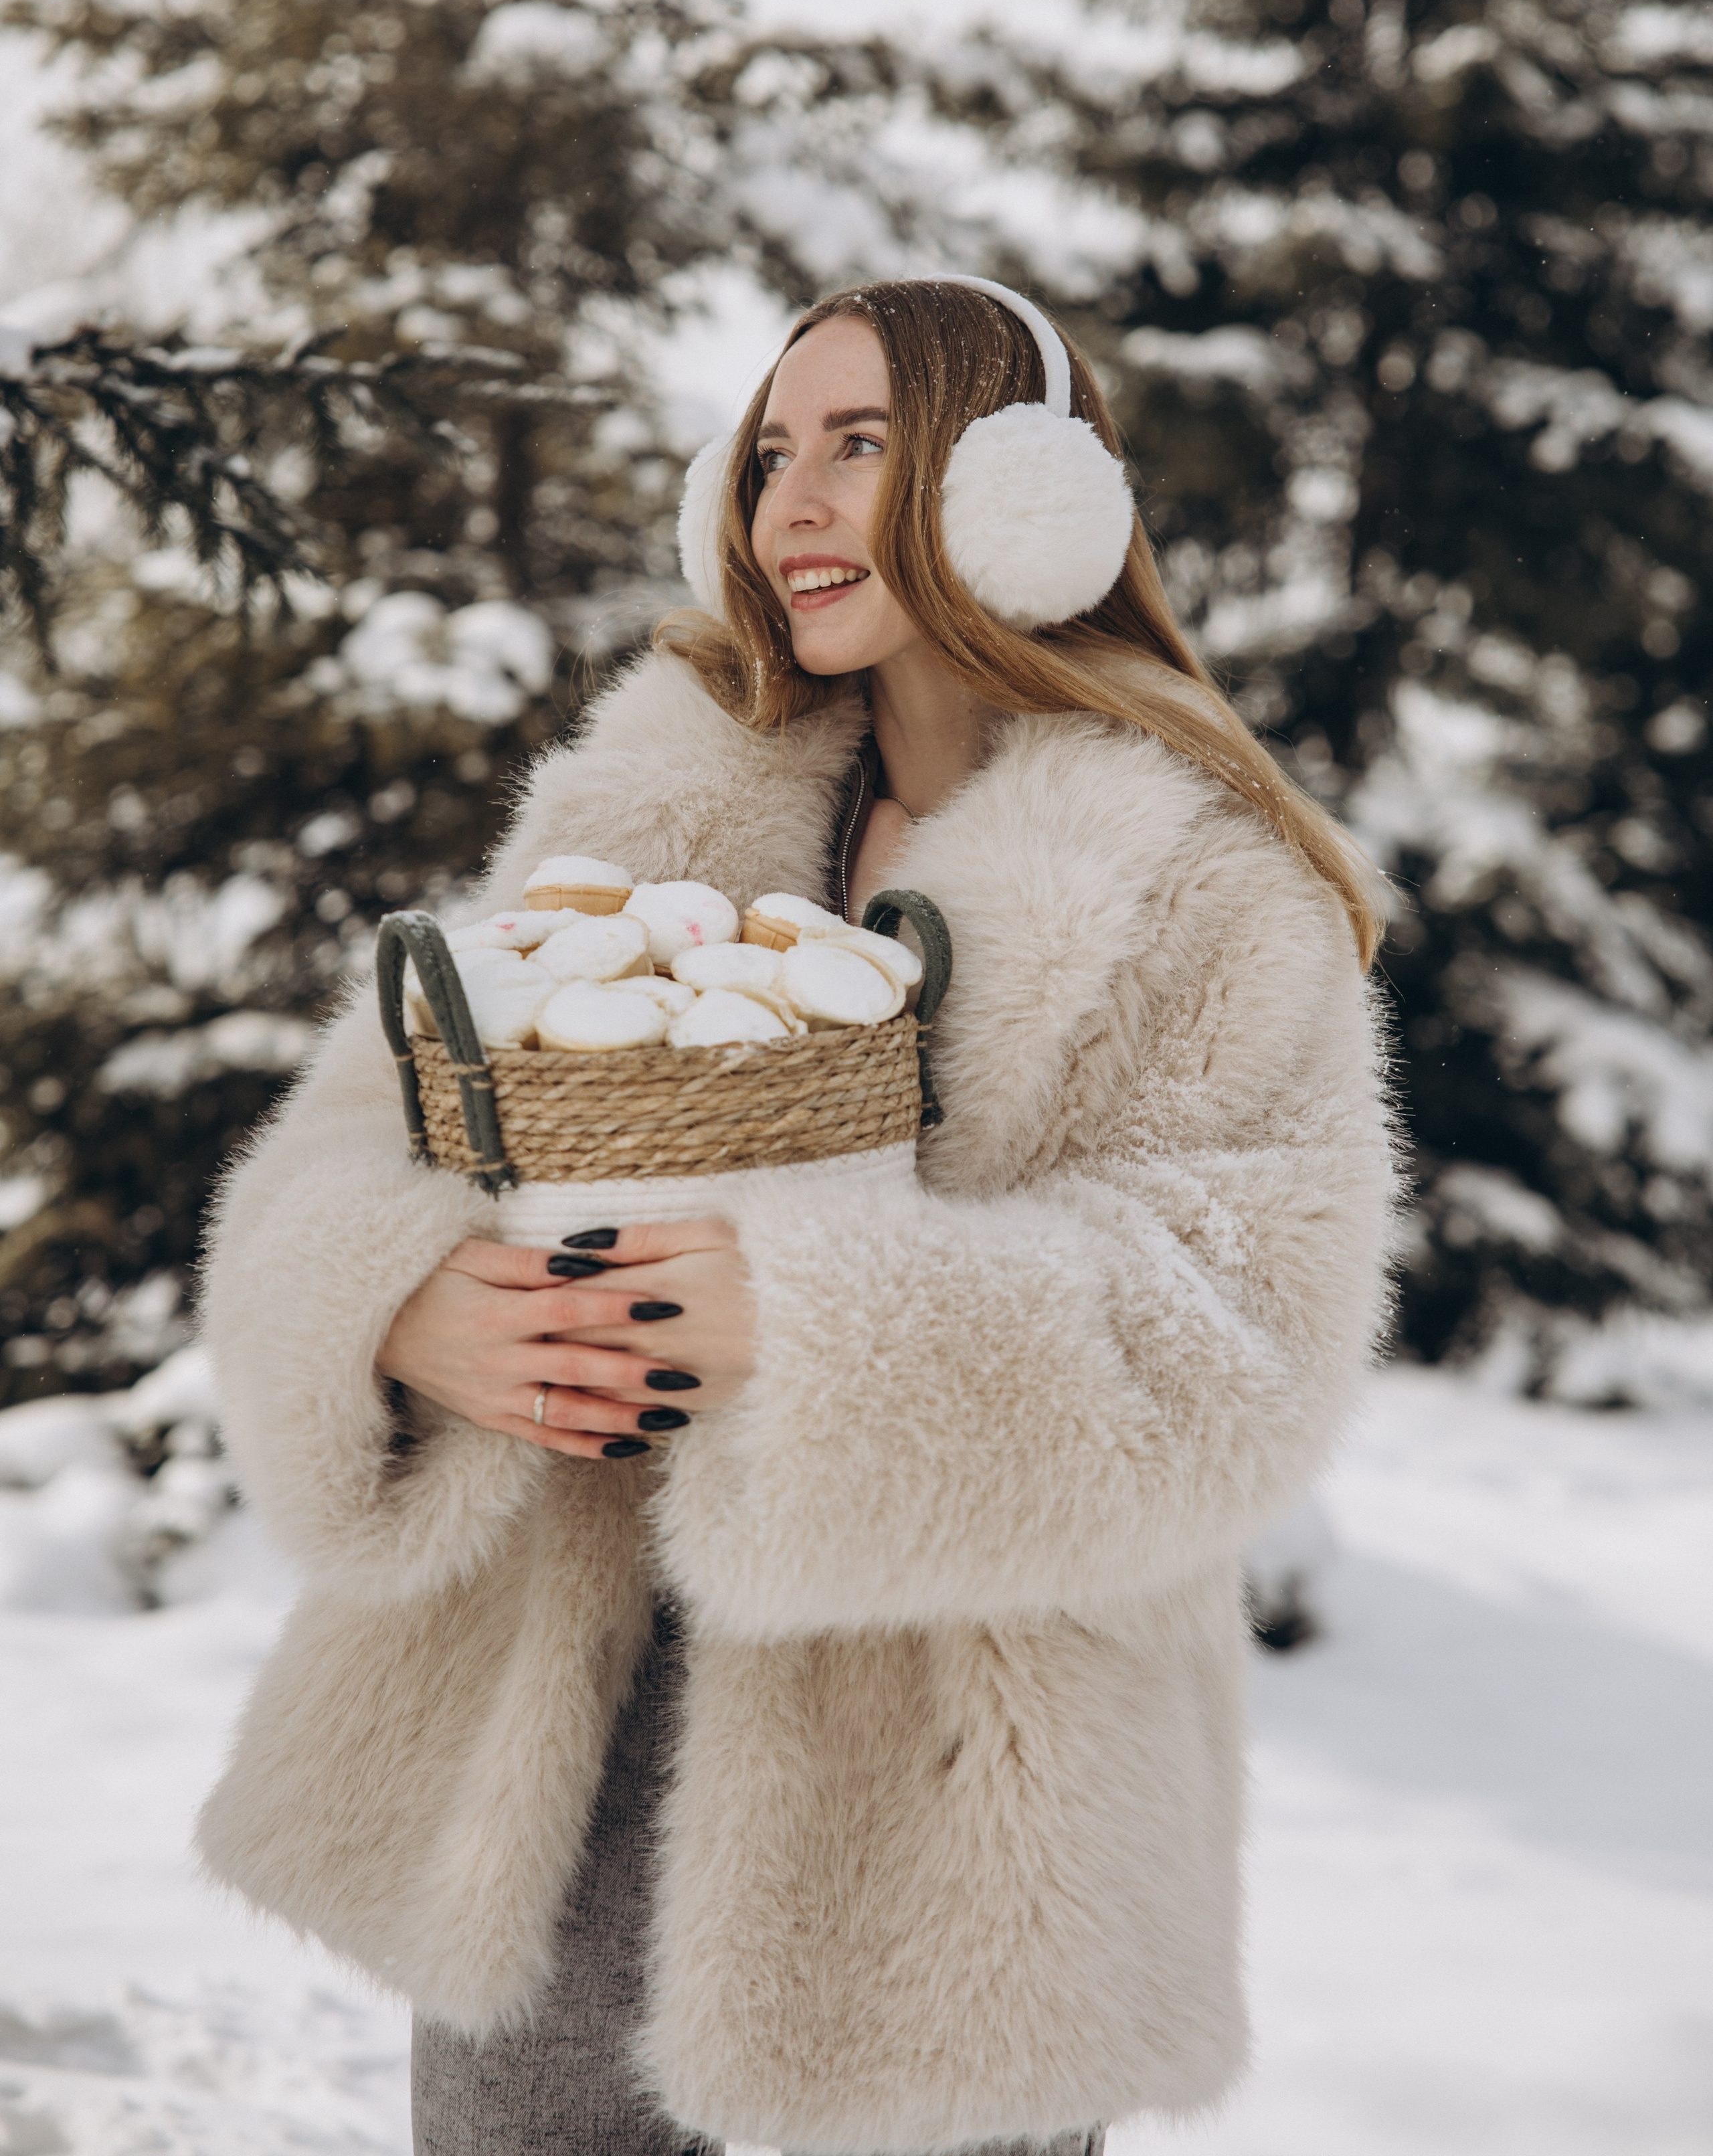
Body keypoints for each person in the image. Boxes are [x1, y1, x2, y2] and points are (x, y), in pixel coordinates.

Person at [197, 277, 1396, 2156]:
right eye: (770, 455)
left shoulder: (1206, 884)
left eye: (864, 448)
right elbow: (361, 1141)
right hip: (572, 1689)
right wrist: (404, 1302)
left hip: (962, 1763)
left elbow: (1238, 1337)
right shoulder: (655, 801)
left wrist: (815, 1324)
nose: (796, 508)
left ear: (1025, 496)